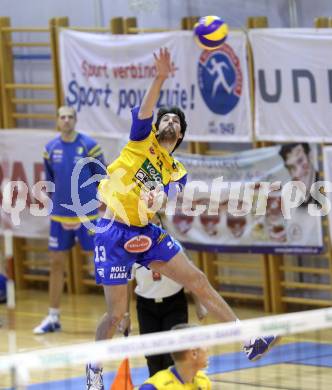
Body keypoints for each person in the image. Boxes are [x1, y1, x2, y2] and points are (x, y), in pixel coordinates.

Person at [87, 48, 276, 390]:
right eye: (166, 119)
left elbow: (168, 197)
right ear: (156, 127)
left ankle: (248, 340)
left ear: (182, 135)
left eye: (176, 121)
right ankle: (94, 368)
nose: (170, 122)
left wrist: (155, 198)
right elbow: (147, 107)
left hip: (145, 230)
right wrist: (160, 77)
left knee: (198, 280)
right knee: (115, 314)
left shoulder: (177, 169)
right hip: (113, 231)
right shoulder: (141, 139)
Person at [33, 106, 105, 334]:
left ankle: (118, 315)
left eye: (70, 117)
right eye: (62, 117)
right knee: (56, 264)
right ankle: (53, 317)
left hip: (88, 215)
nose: (66, 120)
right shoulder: (49, 149)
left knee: (102, 265)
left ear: (75, 120)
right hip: (59, 216)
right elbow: (51, 180)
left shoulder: (89, 145)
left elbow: (102, 178)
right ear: (57, 121)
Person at [125, 254, 208, 377]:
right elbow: (126, 284)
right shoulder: (133, 251)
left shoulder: (173, 247)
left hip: (174, 305)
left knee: (172, 353)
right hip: (146, 307)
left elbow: (190, 275)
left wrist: (198, 304)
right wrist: (126, 315)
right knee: (152, 355)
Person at [139, 323, 211, 390]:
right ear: (193, 353)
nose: (208, 348)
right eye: (204, 343)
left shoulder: (203, 381)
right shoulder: (153, 387)